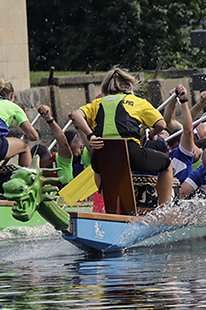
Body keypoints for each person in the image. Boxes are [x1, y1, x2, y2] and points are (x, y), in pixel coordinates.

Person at [71, 67, 174, 206]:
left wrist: (90, 136)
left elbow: (76, 115)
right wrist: (152, 134)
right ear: (129, 86)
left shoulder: (97, 103)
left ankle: (110, 206)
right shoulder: (137, 101)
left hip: (102, 156)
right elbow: (161, 125)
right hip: (130, 154)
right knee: (166, 164)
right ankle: (165, 208)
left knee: (98, 169)